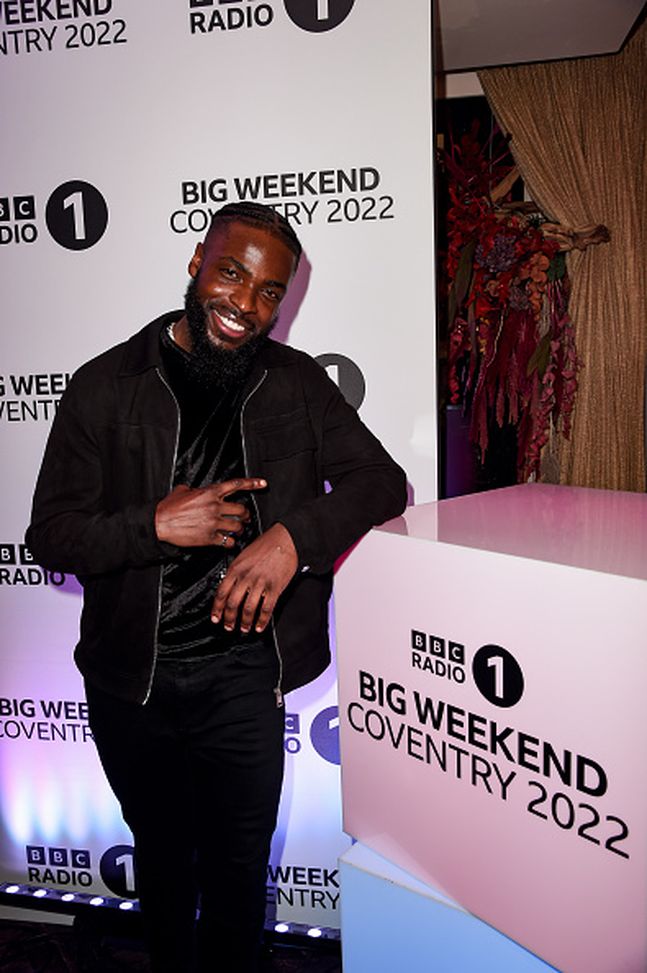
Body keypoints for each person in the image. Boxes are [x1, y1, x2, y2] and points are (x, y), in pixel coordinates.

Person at [27, 202, 407, 973]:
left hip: (242, 677)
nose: (245, 304)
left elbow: (381, 483)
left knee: (237, 880)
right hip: (132, 680)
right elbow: (51, 536)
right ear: (198, 261)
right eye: (231, 273)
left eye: (269, 291)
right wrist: (152, 525)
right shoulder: (106, 385)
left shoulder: (295, 384)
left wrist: (292, 539)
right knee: (164, 869)